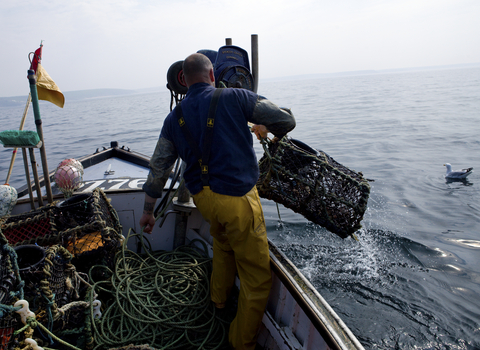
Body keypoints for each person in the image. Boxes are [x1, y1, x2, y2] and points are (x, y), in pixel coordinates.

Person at [139, 53, 295, 349]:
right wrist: (262, 125)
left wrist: (148, 212)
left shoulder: (173, 119)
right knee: (256, 279)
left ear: (183, 81)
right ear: (213, 76)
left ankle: (218, 301)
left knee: (222, 245)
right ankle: (240, 343)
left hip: (205, 201)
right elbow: (286, 121)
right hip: (238, 200)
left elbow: (158, 168)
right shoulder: (237, 97)